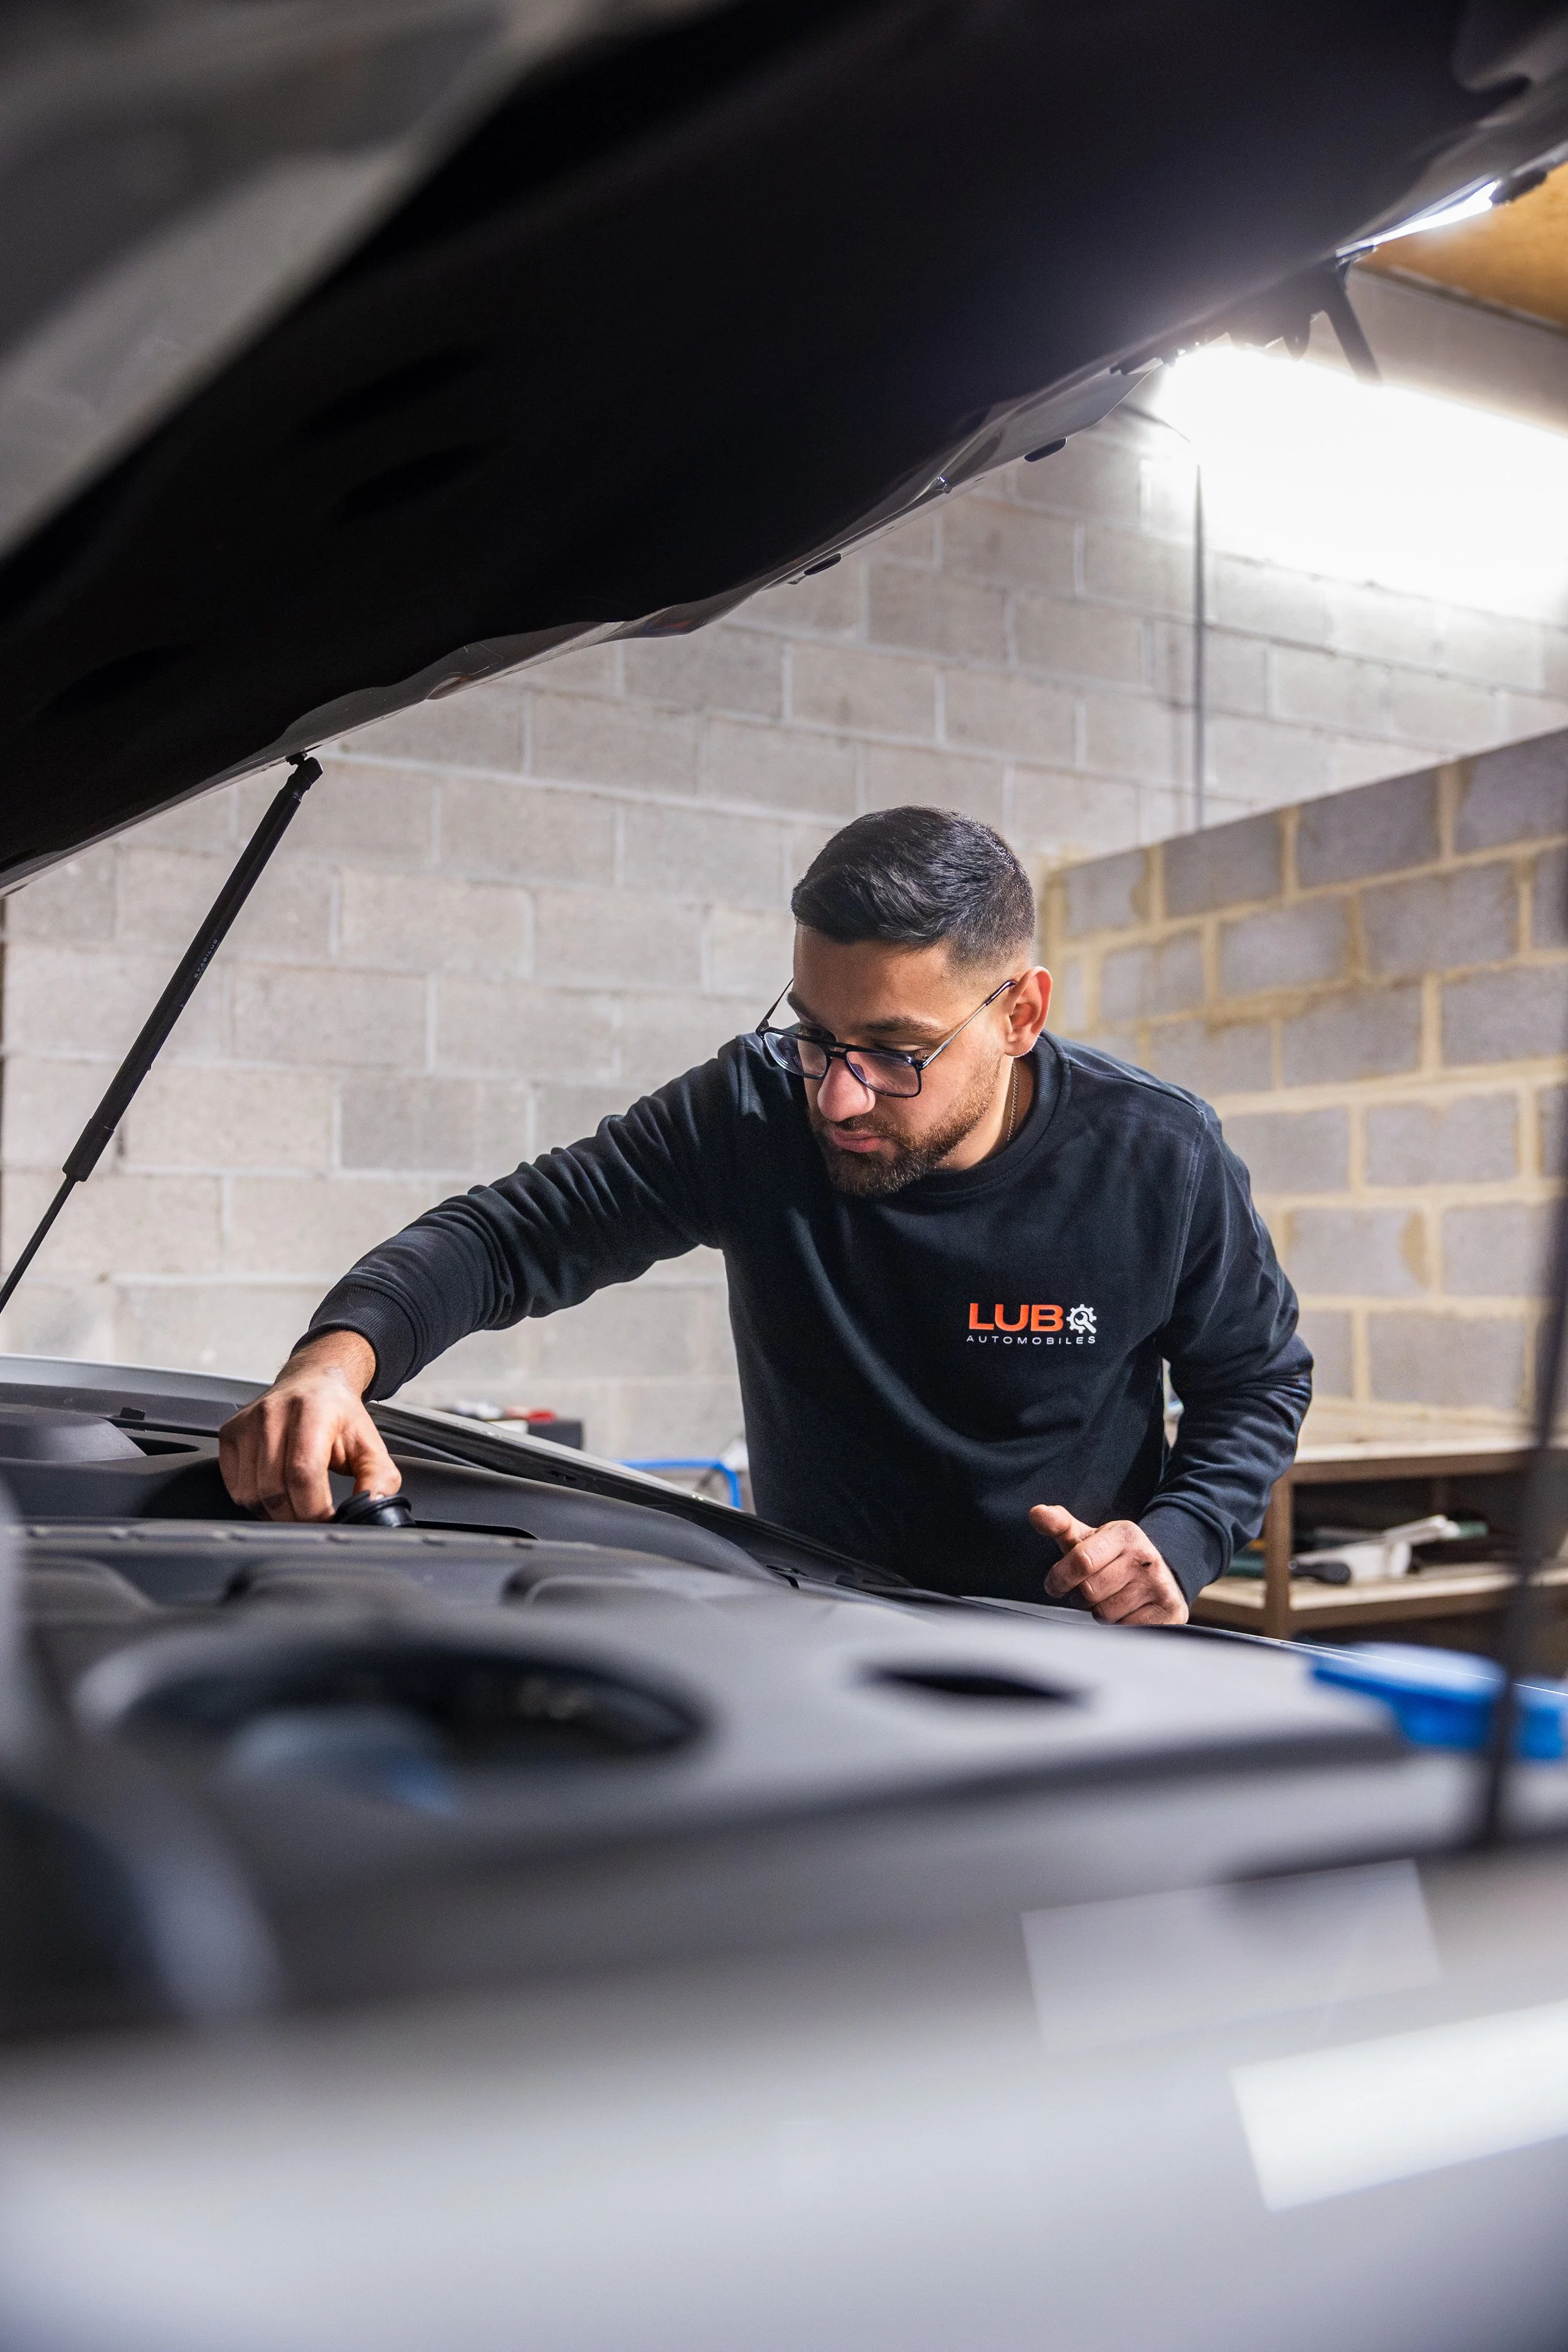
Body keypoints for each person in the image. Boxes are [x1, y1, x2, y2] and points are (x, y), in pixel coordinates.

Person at [219, 805, 1310, 1624]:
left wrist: (1179, 1536)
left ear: (1020, 1013)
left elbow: (1256, 1380)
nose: (837, 1097)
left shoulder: (1159, 1155)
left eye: (895, 1051)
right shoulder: (750, 1110)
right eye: (815, 1036)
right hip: (812, 1633)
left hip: (1063, 1656)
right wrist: (336, 1362)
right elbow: (507, 1236)